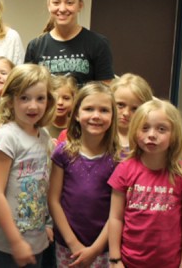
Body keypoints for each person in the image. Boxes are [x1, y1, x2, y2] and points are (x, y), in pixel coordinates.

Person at [108, 100, 182, 268]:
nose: (152, 135)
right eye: (145, 128)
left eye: (161, 129)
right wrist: (115, 259)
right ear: (135, 131)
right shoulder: (124, 170)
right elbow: (115, 218)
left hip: (169, 263)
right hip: (129, 262)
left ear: (174, 135)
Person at [0, 64, 56, 268]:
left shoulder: (44, 136)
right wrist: (16, 241)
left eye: (40, 98)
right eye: (24, 98)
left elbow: (43, 186)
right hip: (6, 247)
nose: (33, 106)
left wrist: (47, 225)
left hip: (36, 243)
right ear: (11, 99)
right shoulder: (7, 136)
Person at [48, 83, 120, 267]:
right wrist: (72, 243)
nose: (96, 116)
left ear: (113, 116)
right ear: (77, 114)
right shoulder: (63, 153)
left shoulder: (118, 160)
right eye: (89, 109)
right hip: (67, 246)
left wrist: (96, 249)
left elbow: (117, 211)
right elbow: (54, 200)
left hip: (102, 247)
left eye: (104, 110)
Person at [24, 0, 114, 86]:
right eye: (56, 2)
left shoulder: (98, 44)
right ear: (49, 5)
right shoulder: (35, 46)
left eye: (69, 2)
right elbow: (28, 88)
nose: (62, 9)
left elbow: (105, 91)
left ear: (80, 5)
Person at [110, 73, 153, 153]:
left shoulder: (148, 140)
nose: (126, 113)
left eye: (135, 109)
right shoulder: (101, 135)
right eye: (120, 105)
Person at [45, 76, 77, 143]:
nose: (60, 103)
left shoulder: (78, 127)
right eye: (55, 98)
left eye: (66, 98)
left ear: (74, 100)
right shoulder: (42, 127)